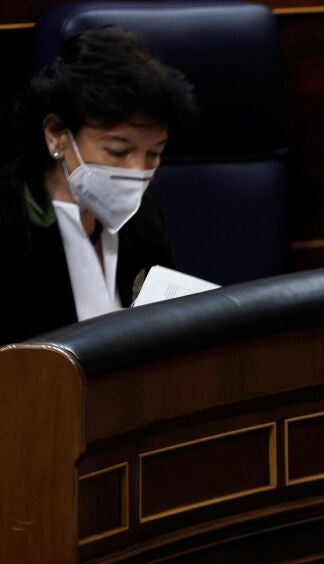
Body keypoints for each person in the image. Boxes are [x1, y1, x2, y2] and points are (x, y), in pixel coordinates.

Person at [0, 27, 197, 347]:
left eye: (154, 153)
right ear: (56, 135)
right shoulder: (9, 219)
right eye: (118, 151)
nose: (138, 172)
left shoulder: (144, 212)